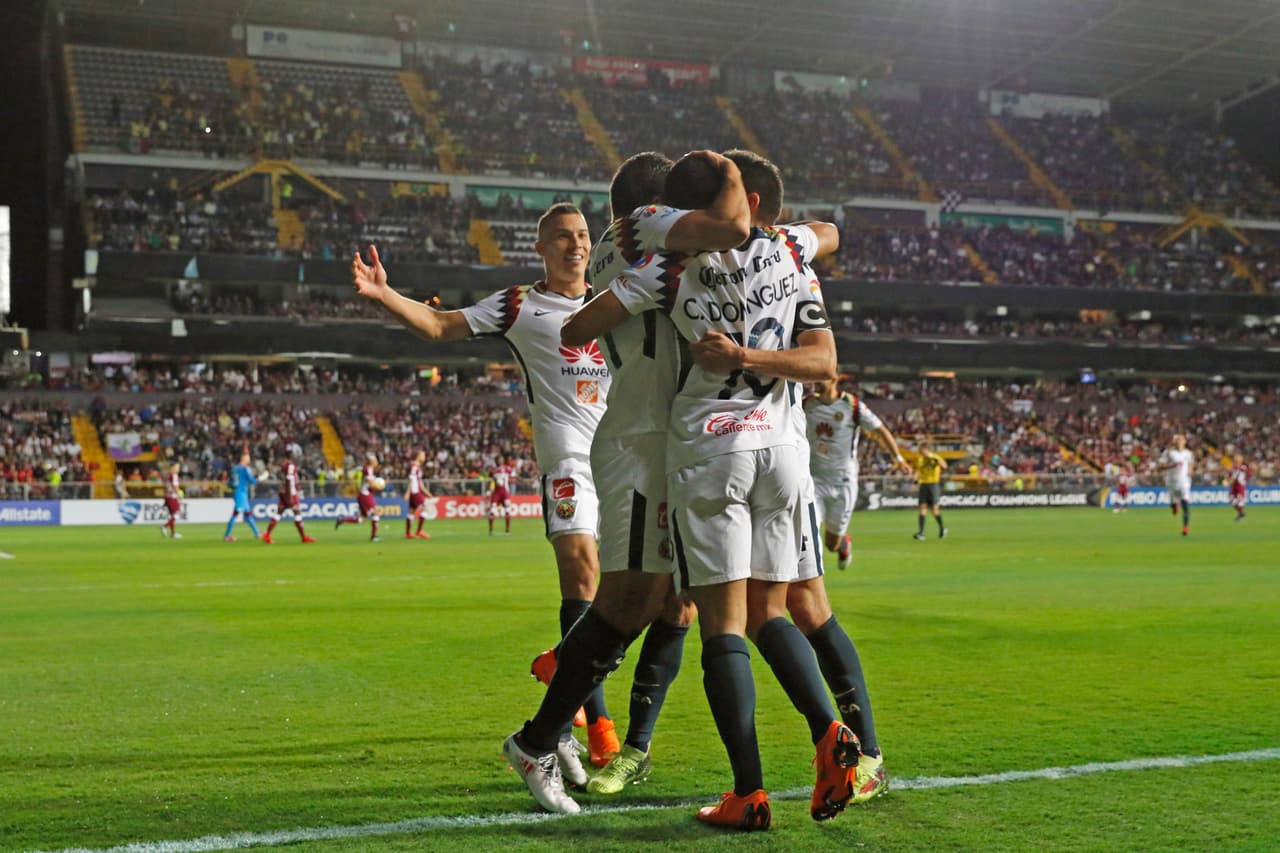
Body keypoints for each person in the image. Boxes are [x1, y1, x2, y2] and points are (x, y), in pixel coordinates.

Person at [549, 151, 859, 829]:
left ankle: (748, 791)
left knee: (720, 621)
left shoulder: (667, 264)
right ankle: (832, 731)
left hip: (710, 447)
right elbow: (826, 334)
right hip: (782, 448)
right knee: (773, 610)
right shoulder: (787, 254)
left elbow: (578, 327)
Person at [505, 150, 752, 811]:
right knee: (626, 602)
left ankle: (586, 708)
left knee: (664, 599)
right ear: (656, 206)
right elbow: (732, 229)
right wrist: (730, 180)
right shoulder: (646, 232)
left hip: (652, 441)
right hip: (643, 444)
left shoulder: (633, 255)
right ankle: (538, 738)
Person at [353, 202, 620, 766]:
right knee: (584, 573)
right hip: (568, 457)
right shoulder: (520, 304)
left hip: (622, 457)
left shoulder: (616, 299)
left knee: (638, 594)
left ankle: (560, 662)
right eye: (562, 237)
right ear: (541, 248)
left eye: (582, 236)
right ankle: (599, 725)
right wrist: (385, 294)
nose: (575, 245)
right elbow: (440, 324)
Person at [805, 378, 912, 568]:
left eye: (822, 377)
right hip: (813, 481)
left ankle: (844, 543)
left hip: (842, 482)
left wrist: (899, 459)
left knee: (832, 544)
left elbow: (881, 430)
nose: (816, 382)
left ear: (834, 379)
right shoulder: (807, 403)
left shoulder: (853, 406)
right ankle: (811, 579)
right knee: (808, 531)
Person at [262, 451, 315, 544]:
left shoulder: (284, 465)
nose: (296, 456)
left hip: (283, 492)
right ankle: (303, 537)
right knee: (297, 513)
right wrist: (290, 495)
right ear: (291, 456)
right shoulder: (290, 466)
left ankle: (267, 535)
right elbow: (289, 479)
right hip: (290, 493)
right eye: (294, 455)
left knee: (279, 513)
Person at [336, 453, 382, 542]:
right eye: (375, 460)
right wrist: (380, 486)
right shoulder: (368, 469)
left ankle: (342, 520)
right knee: (376, 513)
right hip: (365, 495)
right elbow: (371, 484)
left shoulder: (369, 469)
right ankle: (374, 536)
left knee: (362, 519)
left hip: (365, 494)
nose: (377, 462)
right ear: (372, 461)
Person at [1158, 433, 1194, 536]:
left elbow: (1191, 464)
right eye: (1177, 440)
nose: (1179, 442)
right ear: (1174, 442)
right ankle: (1174, 505)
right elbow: (1160, 467)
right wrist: (1172, 465)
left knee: (1185, 504)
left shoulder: (1188, 453)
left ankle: (1185, 527)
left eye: (1181, 440)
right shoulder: (1169, 453)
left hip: (1184, 481)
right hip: (1171, 482)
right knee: (1173, 505)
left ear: (1184, 442)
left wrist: (1190, 471)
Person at [912, 439, 947, 540]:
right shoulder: (920, 459)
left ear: (926, 449)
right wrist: (916, 481)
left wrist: (935, 459)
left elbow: (945, 466)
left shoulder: (935, 457)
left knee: (934, 509)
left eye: (921, 449)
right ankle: (921, 533)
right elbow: (919, 472)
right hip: (923, 485)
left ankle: (942, 528)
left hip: (933, 485)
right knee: (922, 508)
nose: (919, 451)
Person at [224, 452, 261, 542]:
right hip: (241, 493)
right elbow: (252, 481)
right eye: (248, 457)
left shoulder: (234, 469)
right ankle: (227, 535)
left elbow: (229, 483)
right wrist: (259, 479)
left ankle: (257, 533)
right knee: (236, 513)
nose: (249, 459)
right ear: (243, 458)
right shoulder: (245, 469)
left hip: (238, 493)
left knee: (248, 514)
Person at [405, 450, 432, 539]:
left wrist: (425, 491)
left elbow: (419, 482)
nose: (424, 457)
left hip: (416, 491)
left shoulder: (417, 467)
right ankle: (419, 531)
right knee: (425, 509)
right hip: (415, 492)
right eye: (423, 455)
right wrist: (407, 492)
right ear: (418, 456)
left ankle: (408, 533)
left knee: (411, 511)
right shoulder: (414, 467)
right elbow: (411, 480)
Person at [488, 458, 516, 536]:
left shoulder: (507, 468)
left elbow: (513, 477)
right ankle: (491, 530)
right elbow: (491, 478)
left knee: (507, 512)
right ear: (496, 461)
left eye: (501, 459)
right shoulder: (493, 470)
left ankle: (507, 530)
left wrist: (512, 480)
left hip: (505, 493)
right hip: (496, 493)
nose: (500, 461)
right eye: (498, 460)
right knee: (492, 512)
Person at [160, 462, 183, 540]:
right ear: (172, 467)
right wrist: (179, 495)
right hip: (172, 497)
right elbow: (175, 486)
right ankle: (164, 526)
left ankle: (173, 534)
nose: (178, 469)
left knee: (173, 515)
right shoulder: (174, 475)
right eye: (177, 467)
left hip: (167, 497)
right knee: (177, 514)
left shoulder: (168, 475)